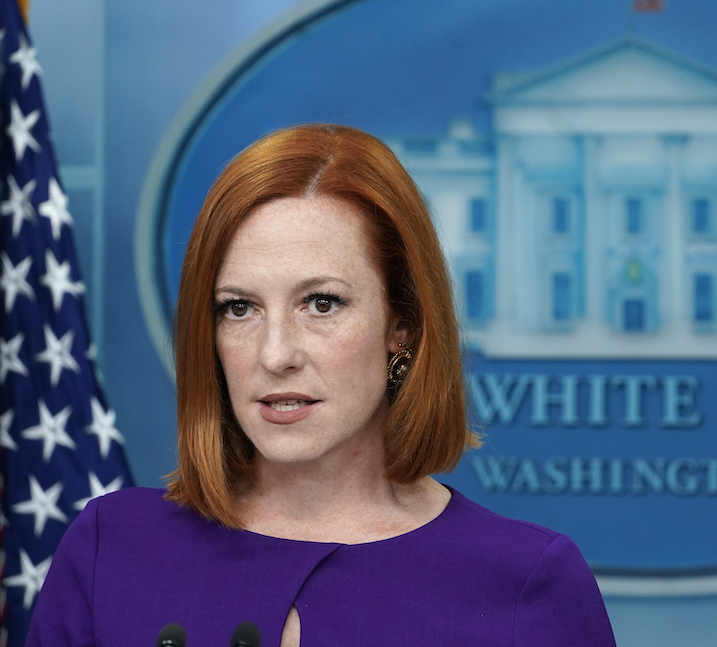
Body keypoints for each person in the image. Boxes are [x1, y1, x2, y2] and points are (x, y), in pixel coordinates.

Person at [27, 125, 617, 646]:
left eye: (321, 303)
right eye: (238, 308)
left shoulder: (525, 581)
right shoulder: (112, 549)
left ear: (401, 326)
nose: (276, 354)